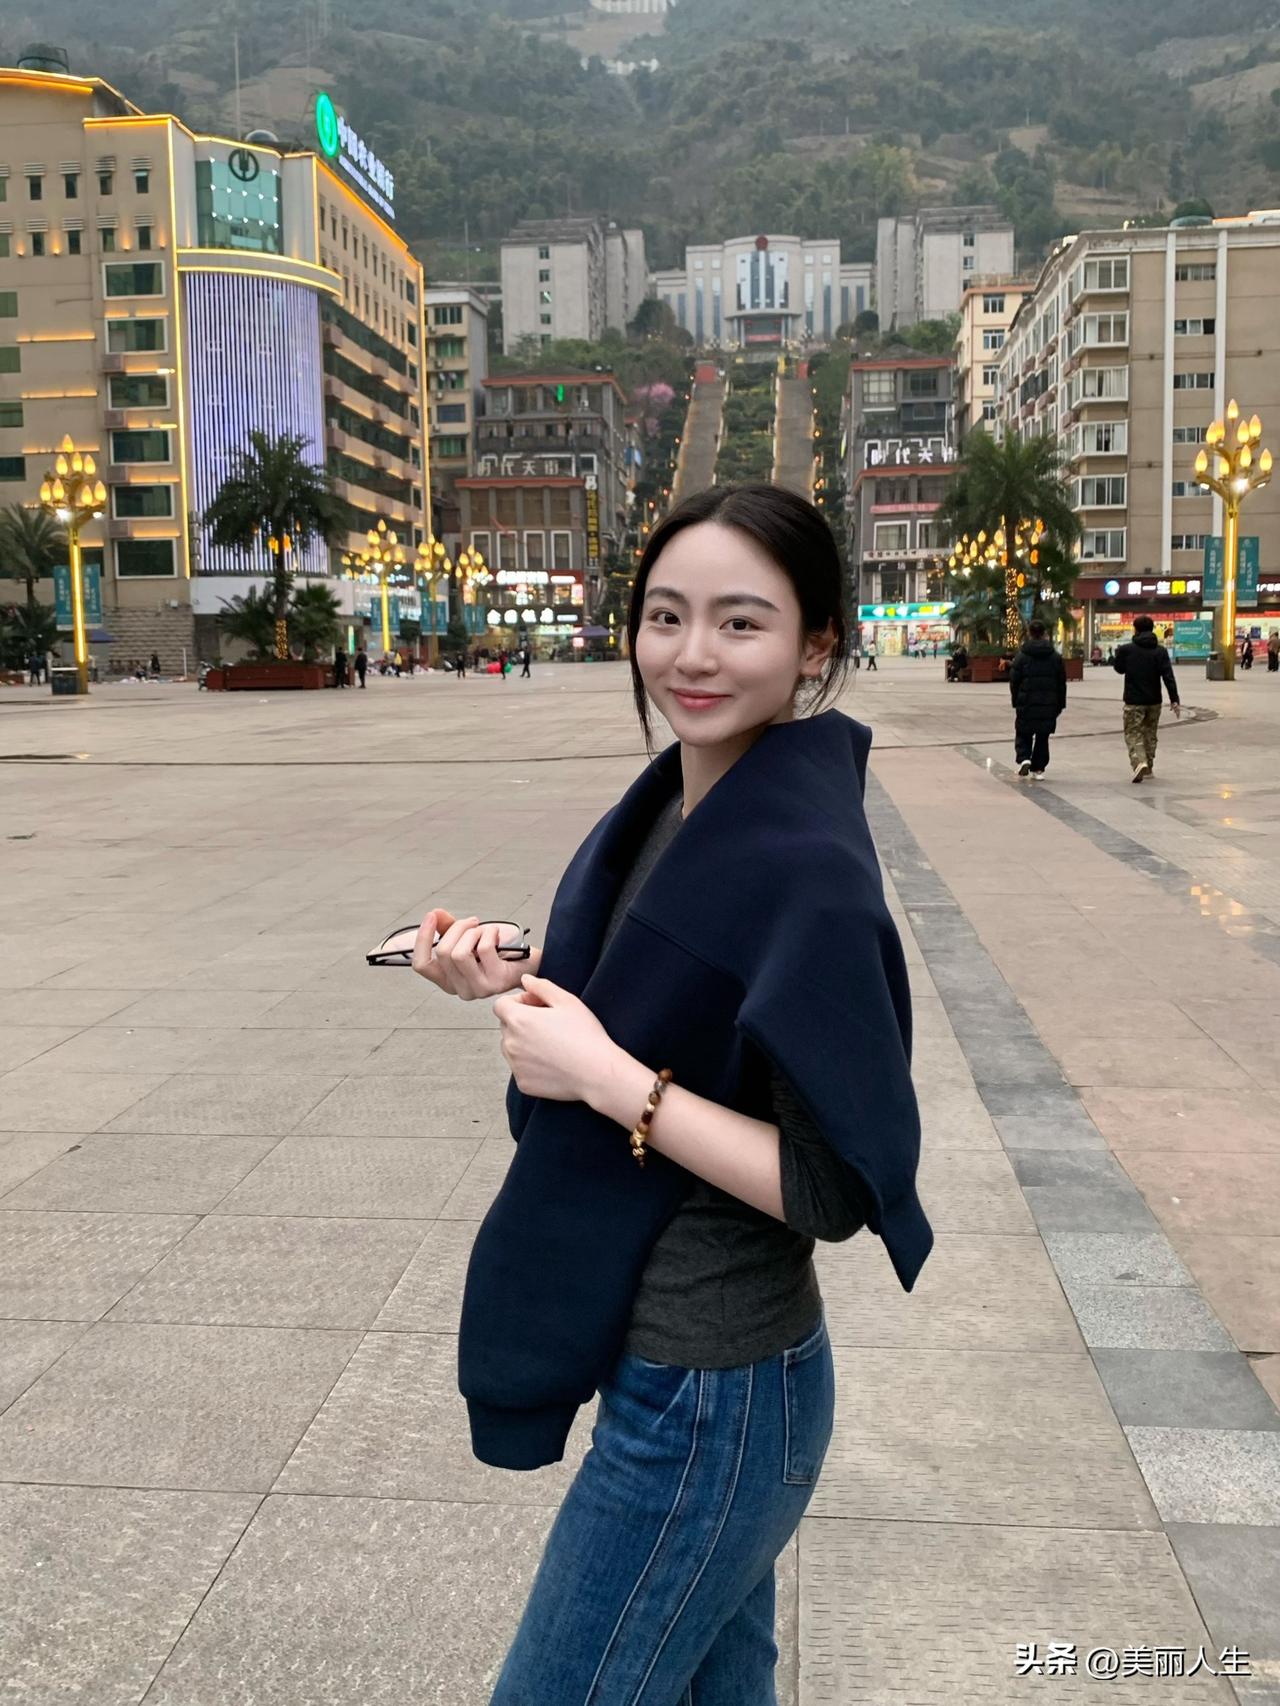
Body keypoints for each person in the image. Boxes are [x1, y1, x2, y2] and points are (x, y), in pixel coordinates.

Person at [409, 483, 931, 1704]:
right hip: (680, 1373)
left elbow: (831, 1186)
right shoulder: (681, 804)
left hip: (711, 1391)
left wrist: (606, 1077)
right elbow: (677, 999)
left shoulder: (804, 865)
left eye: (740, 622)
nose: (691, 655)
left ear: (816, 644)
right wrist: (516, 973)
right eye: (664, 615)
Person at [1112, 613, 1180, 782]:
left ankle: (1139, 762)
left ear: (1135, 629)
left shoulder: (1127, 650)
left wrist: (1119, 656)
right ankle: (1148, 766)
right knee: (1150, 733)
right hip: (1154, 700)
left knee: (1133, 732)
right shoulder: (1160, 651)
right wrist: (1174, 699)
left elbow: (1119, 669)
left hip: (1134, 700)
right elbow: (1168, 676)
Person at [1009, 620, 1067, 778]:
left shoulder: (1022, 656)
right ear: (1044, 633)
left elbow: (1014, 680)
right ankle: (1038, 768)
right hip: (1049, 703)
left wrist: (1016, 700)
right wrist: (1060, 704)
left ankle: (1024, 758)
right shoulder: (1055, 657)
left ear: (1029, 633)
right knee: (1043, 736)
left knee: (1023, 732)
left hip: (1026, 701)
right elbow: (1061, 682)